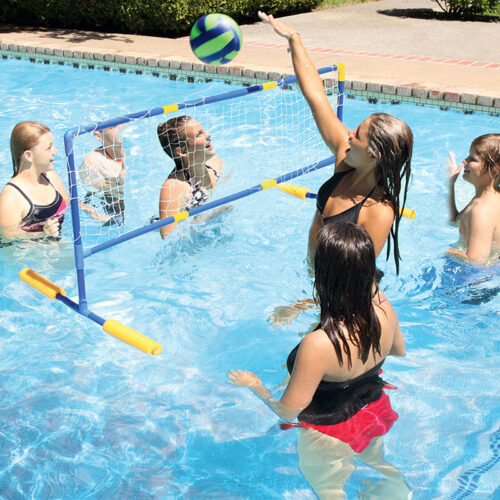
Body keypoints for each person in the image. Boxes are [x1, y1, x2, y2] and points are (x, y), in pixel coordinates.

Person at [228, 222, 410, 499]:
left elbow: (286, 412)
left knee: (330, 491)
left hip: (327, 434)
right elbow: (398, 351)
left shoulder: (318, 344)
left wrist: (254, 385)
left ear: (324, 273)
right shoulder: (383, 306)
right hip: (373, 410)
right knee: (379, 464)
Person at [258, 12, 412, 269]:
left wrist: (307, 303)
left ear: (374, 155)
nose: (348, 133)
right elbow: (316, 97)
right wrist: (295, 39)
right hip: (313, 278)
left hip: (336, 296)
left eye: (358, 134)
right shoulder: (348, 159)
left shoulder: (378, 210)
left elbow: (357, 277)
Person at [155, 115, 224, 239]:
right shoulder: (174, 187)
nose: (209, 135)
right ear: (182, 151)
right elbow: (168, 237)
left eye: (204, 131)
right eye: (199, 134)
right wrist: (212, 216)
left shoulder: (214, 163)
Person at [0, 121, 69, 240]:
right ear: (28, 155)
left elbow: (68, 202)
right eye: (49, 147)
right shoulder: (11, 197)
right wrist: (42, 233)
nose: (55, 152)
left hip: (56, 246)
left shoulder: (51, 178)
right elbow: (7, 237)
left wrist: (91, 211)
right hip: (30, 255)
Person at [448, 133, 500, 264]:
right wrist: (450, 185)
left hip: (479, 280)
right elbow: (455, 222)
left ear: (494, 170)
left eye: (473, 158)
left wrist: (442, 251)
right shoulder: (483, 198)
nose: (464, 161)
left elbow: (477, 262)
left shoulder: (483, 210)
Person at [79, 124, 126, 225]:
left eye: (120, 124)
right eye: (113, 127)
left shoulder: (134, 151)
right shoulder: (93, 160)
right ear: (99, 136)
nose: (119, 129)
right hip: (107, 206)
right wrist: (120, 180)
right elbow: (96, 190)